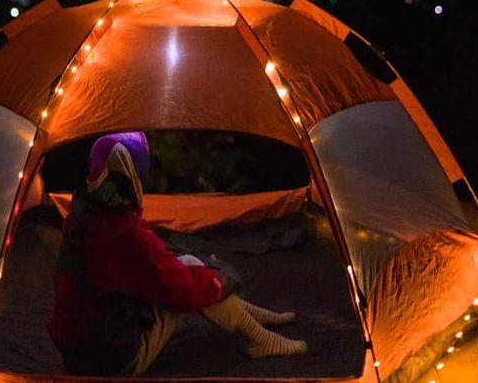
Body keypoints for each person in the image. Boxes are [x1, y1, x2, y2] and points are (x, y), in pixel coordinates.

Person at [48, 132, 307, 376]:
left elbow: (143, 266)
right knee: (195, 283)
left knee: (187, 268)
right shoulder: (125, 238)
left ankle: (253, 319)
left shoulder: (85, 217)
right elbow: (181, 291)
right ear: (132, 177)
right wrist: (217, 283)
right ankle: (261, 340)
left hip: (80, 350)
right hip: (110, 362)